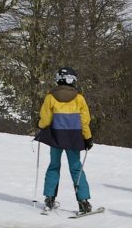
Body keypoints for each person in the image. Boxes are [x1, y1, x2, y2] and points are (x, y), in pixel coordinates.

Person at [36, 66, 94, 213]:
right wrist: (87, 138)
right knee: (76, 167)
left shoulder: (50, 97)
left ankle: (49, 198)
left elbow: (45, 119)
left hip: (55, 136)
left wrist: (41, 126)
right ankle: (83, 201)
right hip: (73, 138)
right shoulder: (79, 98)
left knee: (54, 165)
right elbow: (84, 121)